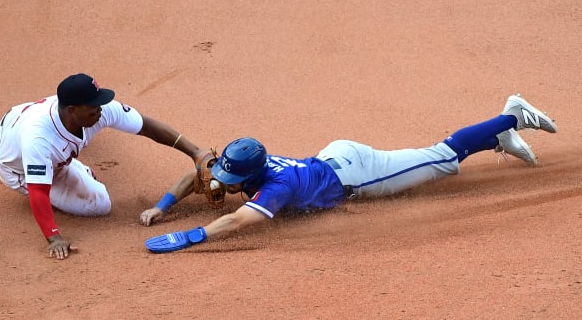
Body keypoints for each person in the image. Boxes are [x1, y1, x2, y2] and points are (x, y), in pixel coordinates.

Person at [141, 94, 557, 253]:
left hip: (359, 172)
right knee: (436, 159)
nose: (222, 185)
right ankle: (497, 139)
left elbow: (236, 220)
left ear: (248, 174)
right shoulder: (243, 165)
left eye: (231, 182)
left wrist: (193, 235)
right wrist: (164, 206)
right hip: (333, 156)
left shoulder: (276, 186)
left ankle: (511, 116)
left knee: (441, 158)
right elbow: (196, 175)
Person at [0, 73, 209, 259]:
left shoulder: (96, 110)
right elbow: (38, 192)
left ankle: (68, 162)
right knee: (98, 205)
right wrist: (54, 238)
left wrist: (196, 152)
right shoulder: (39, 139)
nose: (100, 110)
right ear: (71, 110)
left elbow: (147, 126)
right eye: (92, 107)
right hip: (17, 168)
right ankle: (72, 167)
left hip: (18, 118)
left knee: (65, 154)